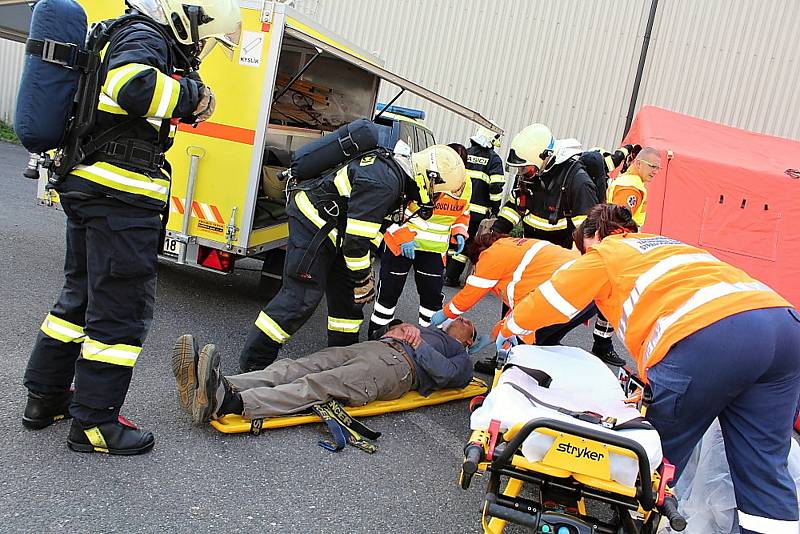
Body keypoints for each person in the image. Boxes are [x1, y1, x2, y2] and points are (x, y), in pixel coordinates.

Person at [21, 0, 241, 455]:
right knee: (119, 312)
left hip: (93, 190)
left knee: (79, 298)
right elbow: (131, 87)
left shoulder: (123, 32)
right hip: (119, 200)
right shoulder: (145, 35)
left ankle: (45, 398)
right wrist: (191, 97)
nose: (199, 47)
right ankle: (96, 424)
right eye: (204, 37)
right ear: (185, 18)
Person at [497, 203, 800, 534]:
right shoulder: (666, 245)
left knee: (653, 457)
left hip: (713, 336)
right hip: (783, 326)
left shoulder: (608, 251)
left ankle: (634, 523)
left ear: (595, 235)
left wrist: (508, 327)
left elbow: (549, 301)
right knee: (764, 470)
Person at [239, 144, 466, 373]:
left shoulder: (397, 179)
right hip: (316, 225)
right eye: (437, 190)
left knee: (348, 305)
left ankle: (341, 364)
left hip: (339, 233)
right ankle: (254, 364)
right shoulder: (384, 183)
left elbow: (370, 231)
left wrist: (363, 274)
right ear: (430, 176)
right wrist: (362, 279)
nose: (434, 197)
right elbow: (357, 243)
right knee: (301, 298)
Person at [172, 317, 475, 423]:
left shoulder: (461, 355)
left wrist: (420, 344)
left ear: (469, 340)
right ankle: (215, 381)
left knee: (319, 383)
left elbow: (449, 375)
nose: (463, 318)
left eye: (469, 324)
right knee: (294, 366)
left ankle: (230, 403)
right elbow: (384, 329)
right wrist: (400, 327)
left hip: (397, 369)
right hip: (371, 349)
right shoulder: (427, 328)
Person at [430, 225, 606, 373]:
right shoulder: (519, 249)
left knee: (523, 344)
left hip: (566, 293)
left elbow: (472, 292)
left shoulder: (492, 254)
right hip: (588, 296)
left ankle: (513, 390)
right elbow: (522, 307)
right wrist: (494, 335)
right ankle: (539, 386)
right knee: (543, 343)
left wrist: (445, 313)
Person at [368, 146, 469, 334]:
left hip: (433, 252)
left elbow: (463, 212)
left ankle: (428, 341)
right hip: (401, 245)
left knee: (431, 301)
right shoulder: (416, 175)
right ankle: (377, 335)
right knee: (388, 295)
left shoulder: (464, 183)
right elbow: (388, 211)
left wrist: (459, 231)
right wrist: (403, 236)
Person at [492, 124, 597, 249]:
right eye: (519, 169)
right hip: (530, 252)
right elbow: (514, 208)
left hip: (559, 258)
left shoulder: (578, 182)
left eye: (527, 169)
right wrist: (495, 233)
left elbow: (586, 233)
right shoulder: (528, 176)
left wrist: (572, 262)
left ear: (546, 157)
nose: (522, 173)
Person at [443, 127, 505, 287]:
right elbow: (496, 187)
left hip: (458, 206)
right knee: (465, 245)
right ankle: (451, 276)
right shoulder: (494, 160)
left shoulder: (466, 153)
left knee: (453, 239)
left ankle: (444, 273)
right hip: (477, 212)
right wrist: (495, 208)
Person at [606, 146, 661, 228]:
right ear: (638, 163)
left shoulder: (627, 180)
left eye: (658, 168)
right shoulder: (631, 187)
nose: (656, 172)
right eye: (652, 166)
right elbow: (618, 223)